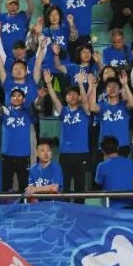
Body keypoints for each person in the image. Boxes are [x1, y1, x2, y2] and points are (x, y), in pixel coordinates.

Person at [45, 69, 92, 200]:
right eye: (69, 94)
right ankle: (65, 209)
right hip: (65, 153)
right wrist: (48, 84)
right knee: (64, 185)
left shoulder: (84, 111)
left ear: (79, 97)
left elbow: (85, 102)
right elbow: (55, 99)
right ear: (65, 98)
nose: (72, 96)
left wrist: (81, 84)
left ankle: (79, 210)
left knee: (80, 186)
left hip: (81, 153)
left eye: (75, 94)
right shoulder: (64, 111)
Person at [94, 135, 133, 209]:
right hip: (130, 205)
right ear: (118, 147)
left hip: (110, 206)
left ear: (103, 150)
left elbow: (98, 182)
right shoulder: (131, 163)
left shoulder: (101, 166)